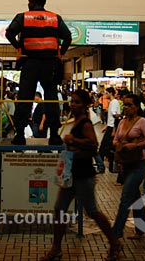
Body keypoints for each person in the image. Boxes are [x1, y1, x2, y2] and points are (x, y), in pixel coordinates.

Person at [39, 89, 122, 261]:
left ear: (85, 105)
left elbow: (93, 144)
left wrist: (73, 140)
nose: (73, 104)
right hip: (72, 173)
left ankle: (114, 243)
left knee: (92, 211)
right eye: (72, 101)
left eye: (77, 102)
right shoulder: (76, 121)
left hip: (83, 175)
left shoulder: (85, 123)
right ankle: (56, 249)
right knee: (60, 209)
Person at [5, 0, 72, 146]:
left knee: (25, 97)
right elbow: (68, 36)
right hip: (50, 63)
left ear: (31, 2)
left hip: (30, 62)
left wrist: (20, 47)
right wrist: (60, 53)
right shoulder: (55, 18)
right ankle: (54, 135)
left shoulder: (23, 17)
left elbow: (9, 34)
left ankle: (20, 135)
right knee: (51, 97)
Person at [112, 94, 145, 240]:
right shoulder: (122, 122)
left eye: (129, 105)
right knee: (135, 198)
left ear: (136, 107)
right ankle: (142, 227)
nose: (126, 108)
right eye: (125, 105)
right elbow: (115, 139)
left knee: (125, 197)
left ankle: (116, 232)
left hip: (138, 164)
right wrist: (119, 145)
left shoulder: (142, 122)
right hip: (125, 164)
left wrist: (135, 145)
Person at [97, 87, 120, 173]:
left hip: (112, 127)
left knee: (104, 147)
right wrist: (106, 126)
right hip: (110, 126)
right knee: (106, 147)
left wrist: (113, 129)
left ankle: (102, 166)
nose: (105, 95)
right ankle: (107, 165)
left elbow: (114, 115)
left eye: (106, 93)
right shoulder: (112, 102)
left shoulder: (114, 102)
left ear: (110, 93)